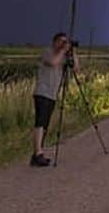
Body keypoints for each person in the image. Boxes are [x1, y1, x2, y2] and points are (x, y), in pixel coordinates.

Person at [31, 32, 71, 167]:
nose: (63, 44)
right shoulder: (47, 52)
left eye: (65, 42)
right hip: (42, 92)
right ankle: (38, 154)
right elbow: (53, 62)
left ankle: (37, 153)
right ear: (54, 42)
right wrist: (62, 51)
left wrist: (73, 53)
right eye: (61, 41)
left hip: (52, 94)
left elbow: (76, 68)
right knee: (40, 123)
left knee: (45, 125)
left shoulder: (63, 56)